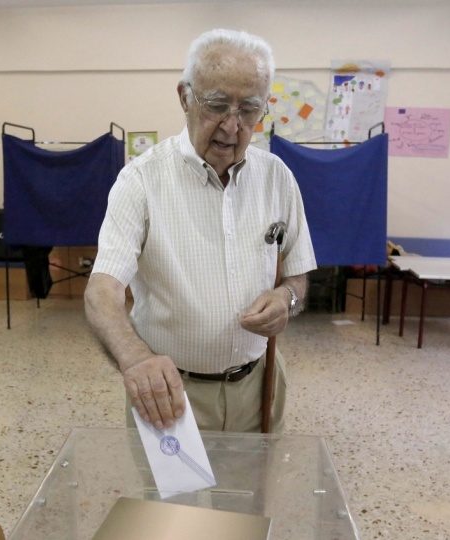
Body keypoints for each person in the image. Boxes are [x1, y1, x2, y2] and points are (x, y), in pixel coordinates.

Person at [84, 28, 317, 433]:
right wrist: (135, 358)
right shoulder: (140, 181)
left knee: (251, 495)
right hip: (170, 393)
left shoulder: (277, 177)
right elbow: (101, 291)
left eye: (249, 110)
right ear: (185, 97)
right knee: (171, 499)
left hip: (259, 384)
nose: (232, 126)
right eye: (217, 105)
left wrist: (287, 297)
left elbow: (298, 275)